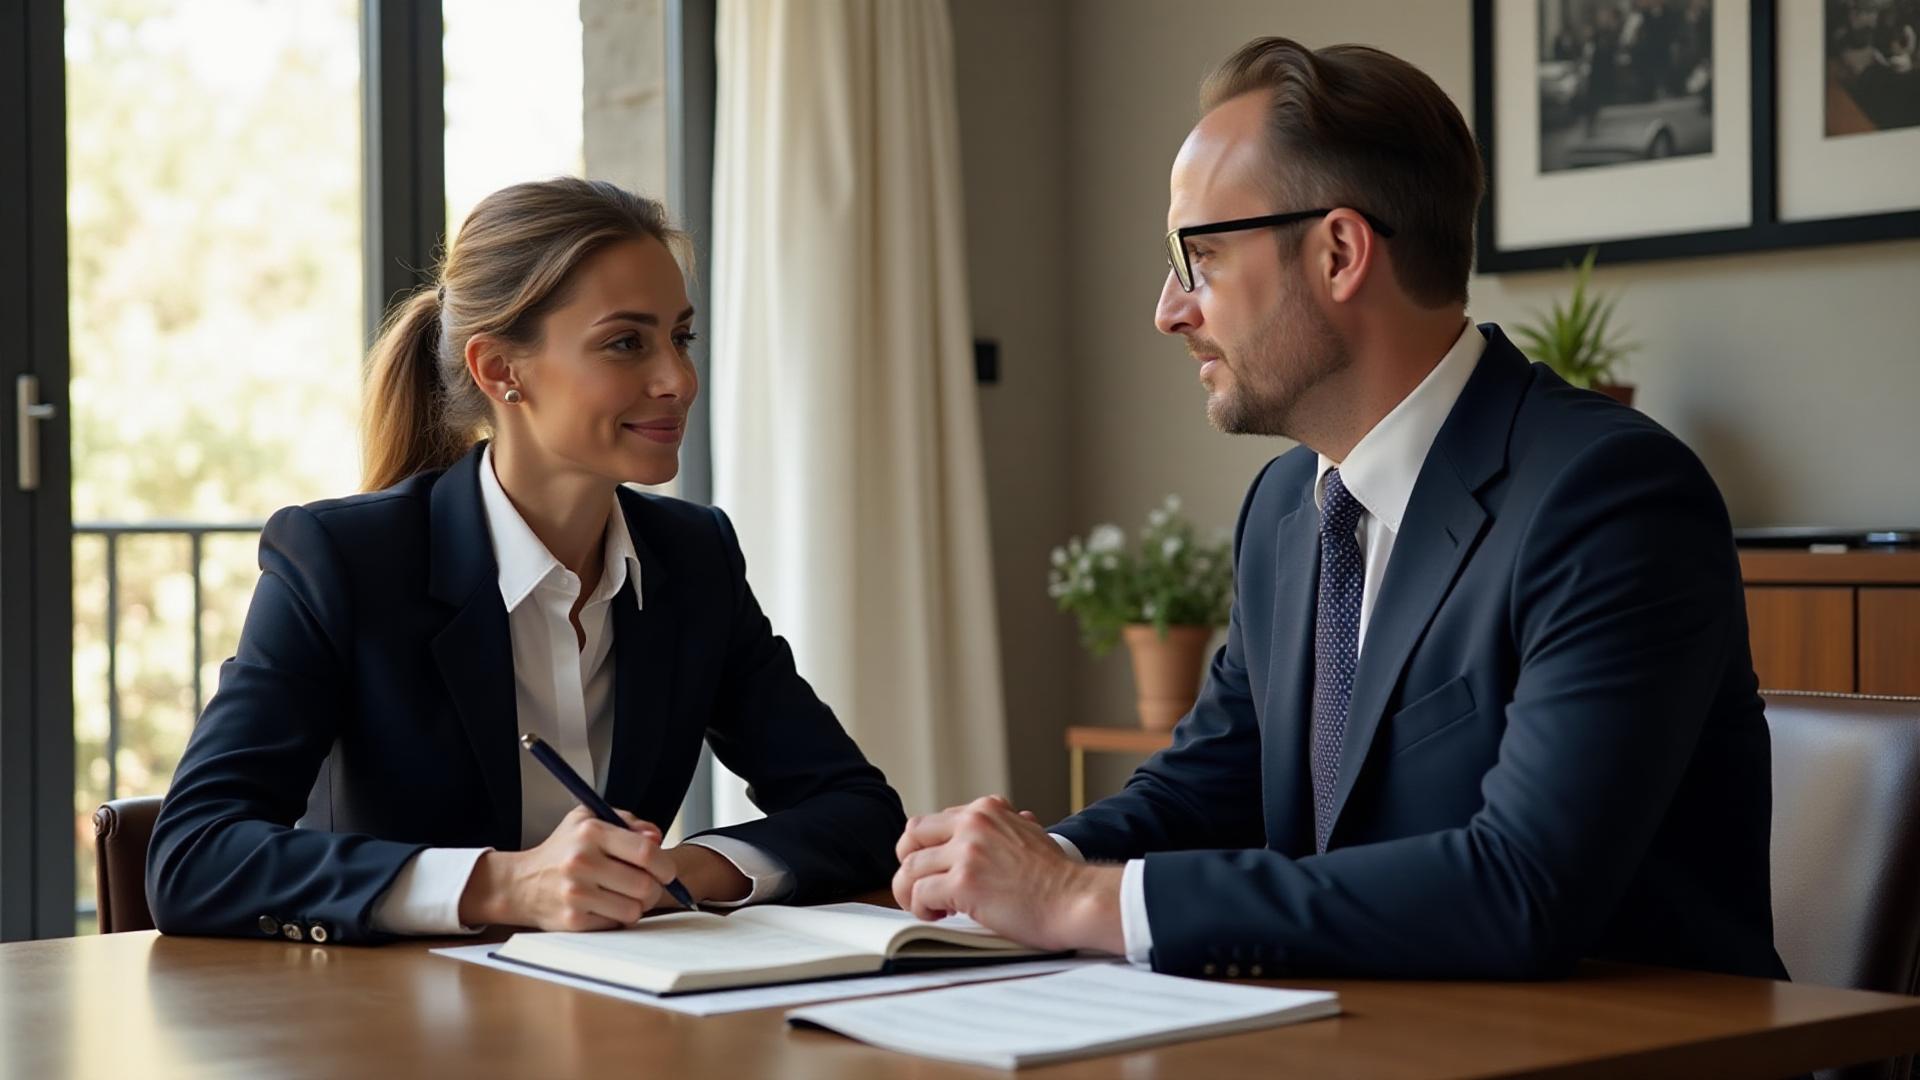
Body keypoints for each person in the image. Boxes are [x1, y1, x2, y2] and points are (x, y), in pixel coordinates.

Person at [892, 38, 1786, 982]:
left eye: (1200, 257)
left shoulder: (1610, 499)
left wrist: (1081, 901)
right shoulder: (1288, 506)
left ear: (1340, 252)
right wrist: (1040, 866)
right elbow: (1214, 781)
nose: (1169, 309)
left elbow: (1522, 885)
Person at [147, 178, 905, 943]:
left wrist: (673, 875)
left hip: (621, 1013)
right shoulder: (340, 560)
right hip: (392, 1029)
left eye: (681, 336)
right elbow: (192, 856)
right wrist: (505, 885)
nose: (678, 380)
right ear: (501, 371)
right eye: (625, 342)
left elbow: (858, 810)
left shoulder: (694, 557)